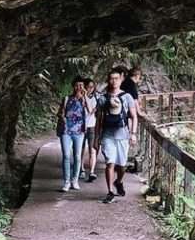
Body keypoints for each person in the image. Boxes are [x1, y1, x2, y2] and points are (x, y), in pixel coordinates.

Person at [95, 67, 138, 204]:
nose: (114, 81)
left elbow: (133, 116)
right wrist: (97, 138)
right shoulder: (103, 99)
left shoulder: (127, 97)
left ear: (121, 80)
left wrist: (133, 133)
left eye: (116, 79)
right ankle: (110, 192)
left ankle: (118, 182)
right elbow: (99, 119)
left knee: (122, 165)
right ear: (108, 80)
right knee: (110, 163)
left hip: (123, 135)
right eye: (111, 79)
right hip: (107, 135)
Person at [57, 78, 87, 192]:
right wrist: (63, 119)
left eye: (81, 85)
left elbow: (90, 110)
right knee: (66, 155)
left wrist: (84, 96)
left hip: (79, 131)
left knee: (77, 156)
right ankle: (66, 182)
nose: (78, 88)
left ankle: (75, 180)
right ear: (73, 86)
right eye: (77, 85)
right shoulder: (66, 99)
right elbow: (60, 113)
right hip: (66, 130)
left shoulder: (84, 100)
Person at [81, 78, 103, 181]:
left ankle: (92, 172)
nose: (90, 89)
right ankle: (81, 170)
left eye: (92, 87)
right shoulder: (79, 97)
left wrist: (85, 96)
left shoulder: (96, 98)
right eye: (88, 87)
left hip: (92, 126)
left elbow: (91, 110)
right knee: (80, 150)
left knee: (92, 150)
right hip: (80, 127)